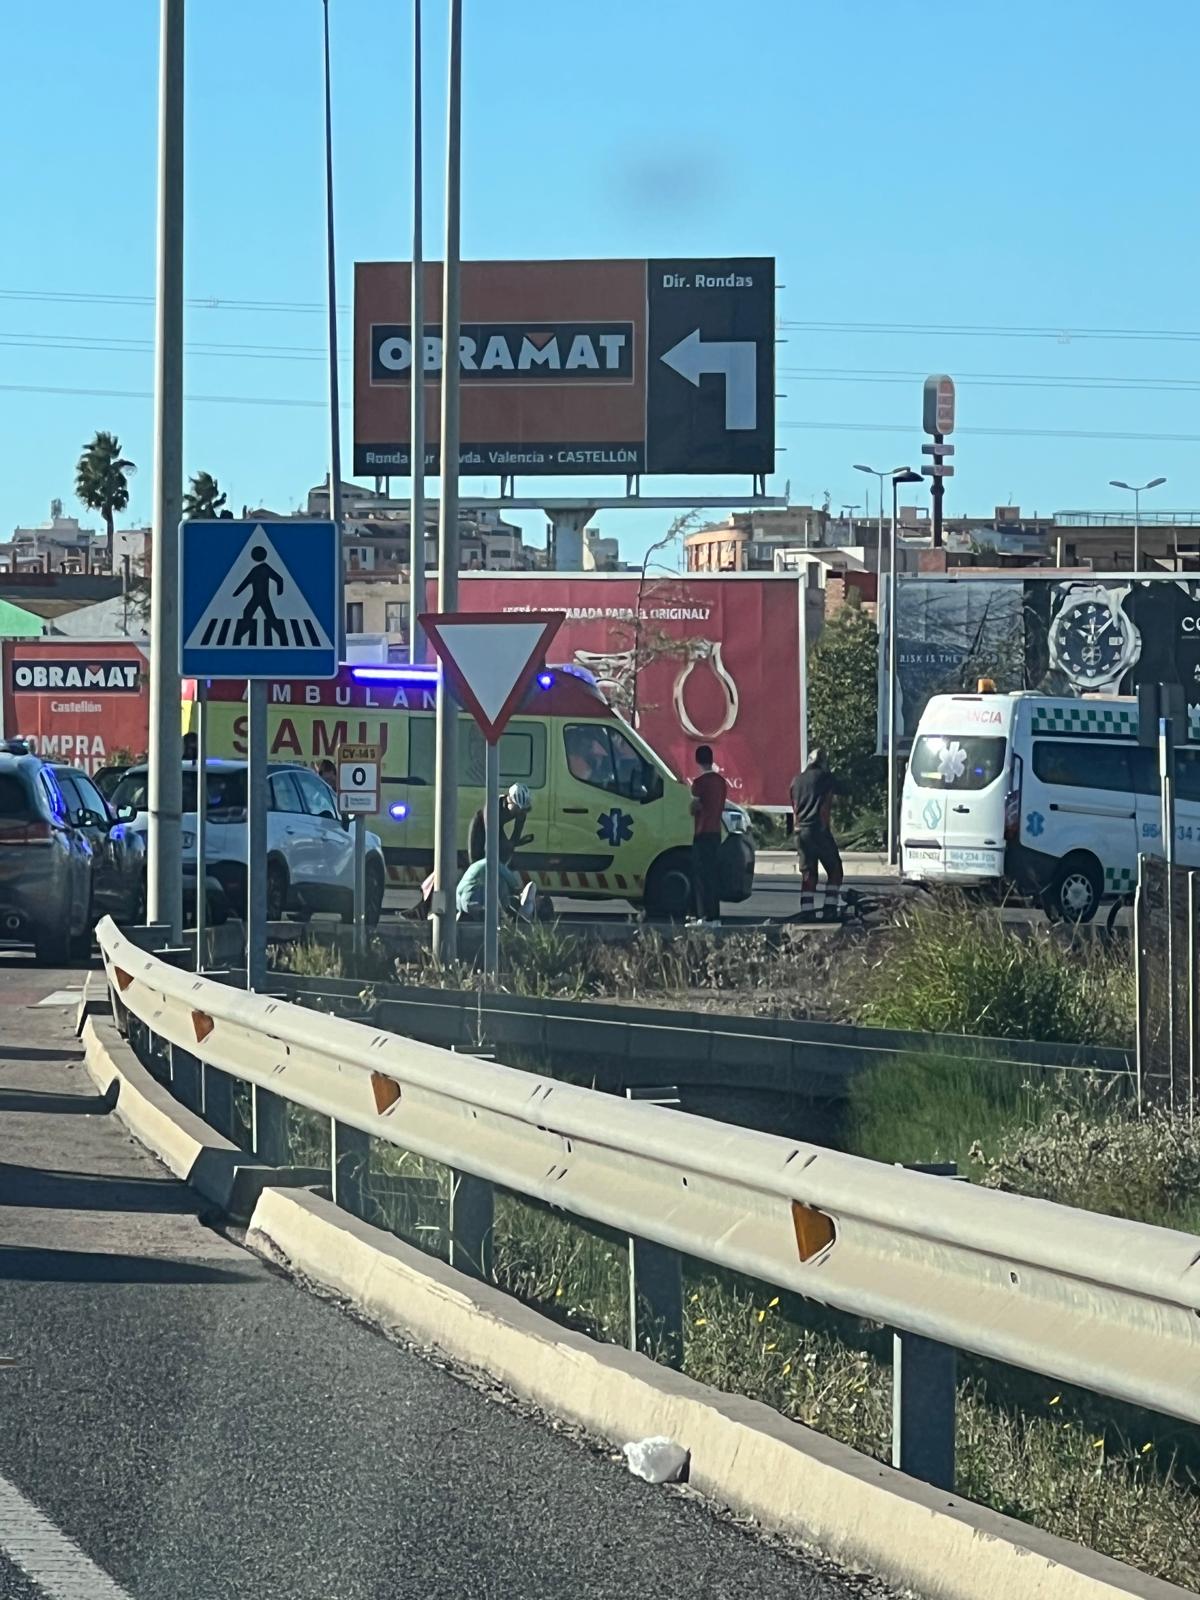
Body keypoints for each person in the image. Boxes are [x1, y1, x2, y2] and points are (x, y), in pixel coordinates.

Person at [790, 748, 845, 895]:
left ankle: (807, 906)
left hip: (800, 833)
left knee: (808, 874)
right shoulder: (826, 778)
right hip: (818, 831)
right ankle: (830, 905)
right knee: (835, 870)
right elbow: (839, 792)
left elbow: (794, 808)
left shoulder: (796, 781)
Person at [689, 743, 727, 923]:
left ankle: (702, 915)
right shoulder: (721, 782)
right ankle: (714, 915)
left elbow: (694, 807)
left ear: (697, 760)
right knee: (713, 875)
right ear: (712, 759)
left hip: (702, 832)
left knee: (701, 876)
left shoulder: (698, 783)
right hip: (716, 832)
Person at [469, 783, 533, 865]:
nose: (519, 812)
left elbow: (516, 833)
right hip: (482, 823)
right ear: (509, 801)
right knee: (475, 858)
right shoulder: (495, 806)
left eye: (522, 810)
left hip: (498, 825)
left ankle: (500, 869)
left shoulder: (522, 812)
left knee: (506, 848)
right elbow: (490, 834)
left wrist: (512, 844)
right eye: (516, 808)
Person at [455, 856, 523, 921]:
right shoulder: (495, 864)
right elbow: (514, 885)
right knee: (502, 884)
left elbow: (459, 892)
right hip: (476, 898)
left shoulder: (474, 867)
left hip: (465, 900)